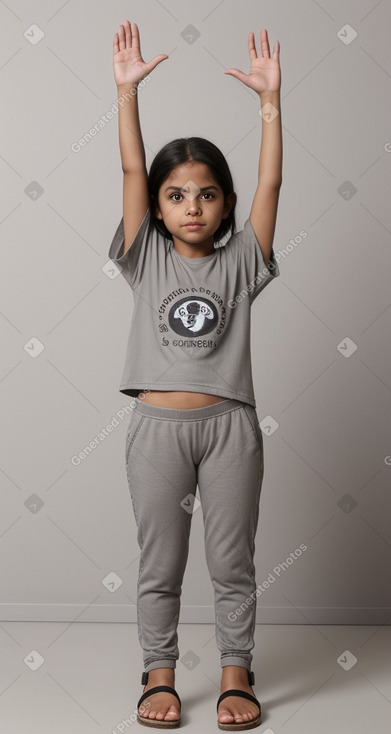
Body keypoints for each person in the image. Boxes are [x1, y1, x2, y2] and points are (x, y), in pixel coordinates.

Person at [109, 19, 282, 730]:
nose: (192, 207)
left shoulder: (242, 260)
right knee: (160, 562)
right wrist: (125, 96)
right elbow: (128, 171)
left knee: (232, 560)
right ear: (156, 208)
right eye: (177, 195)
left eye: (207, 194)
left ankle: (237, 671)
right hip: (157, 429)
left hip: (229, 428)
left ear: (226, 206)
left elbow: (272, 177)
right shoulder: (143, 256)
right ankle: (159, 672)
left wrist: (270, 105)